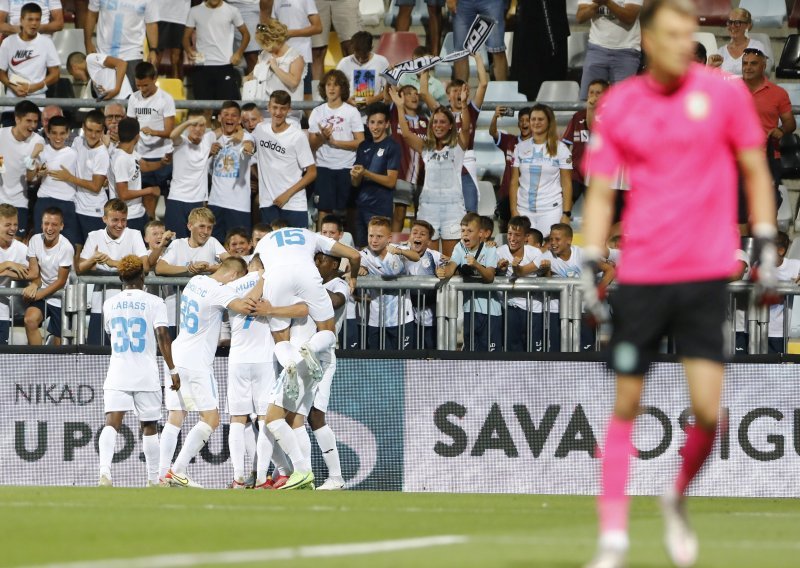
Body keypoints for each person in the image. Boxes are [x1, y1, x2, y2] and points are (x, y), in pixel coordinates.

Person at [579, 2, 778, 567]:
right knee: (625, 403)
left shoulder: (723, 95)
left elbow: (754, 166)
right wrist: (592, 256)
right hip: (642, 272)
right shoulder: (621, 104)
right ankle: (613, 538)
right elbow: (599, 192)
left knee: (710, 414)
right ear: (646, 38)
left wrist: (762, 234)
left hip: (706, 271)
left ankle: (675, 496)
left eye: (688, 32)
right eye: (670, 32)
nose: (681, 41)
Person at [160, 257, 255, 488]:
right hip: (196, 363)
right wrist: (260, 280)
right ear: (233, 277)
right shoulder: (218, 291)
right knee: (211, 419)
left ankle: (160, 476)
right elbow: (245, 306)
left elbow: (222, 272)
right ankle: (178, 470)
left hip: (176, 355)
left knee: (175, 417)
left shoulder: (197, 280)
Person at [98, 255, 179, 488]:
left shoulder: (109, 303)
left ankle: (105, 473)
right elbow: (163, 336)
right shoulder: (155, 302)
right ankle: (153, 480)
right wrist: (172, 369)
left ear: (121, 277)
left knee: (111, 422)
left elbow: (110, 333)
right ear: (143, 275)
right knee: (149, 425)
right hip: (146, 373)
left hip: (118, 371)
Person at [389, 86, 470, 258]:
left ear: (450, 126)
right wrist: (399, 106)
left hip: (453, 209)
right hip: (428, 209)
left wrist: (463, 105)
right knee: (429, 260)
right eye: (435, 122)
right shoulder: (426, 148)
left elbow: (467, 127)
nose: (438, 125)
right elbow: (405, 133)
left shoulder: (458, 147)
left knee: (450, 260)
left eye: (442, 122)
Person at [78, 199, 151, 345]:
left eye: (123, 220)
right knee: (96, 353)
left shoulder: (134, 234)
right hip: (101, 305)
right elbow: (79, 268)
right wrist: (93, 259)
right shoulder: (94, 236)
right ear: (104, 219)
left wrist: (112, 263)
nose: (120, 225)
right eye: (115, 220)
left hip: (129, 306)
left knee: (126, 353)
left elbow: (145, 266)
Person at [538, 223, 614, 352]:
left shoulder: (583, 254)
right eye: (551, 239)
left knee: (586, 352)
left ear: (569, 240)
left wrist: (598, 292)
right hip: (558, 311)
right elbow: (542, 279)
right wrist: (545, 272)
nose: (553, 243)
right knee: (556, 351)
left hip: (584, 310)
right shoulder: (546, 256)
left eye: (557, 239)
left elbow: (610, 270)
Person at [156, 206, 229, 336]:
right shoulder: (177, 244)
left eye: (209, 227)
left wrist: (210, 268)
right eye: (201, 226)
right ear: (190, 226)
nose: (206, 231)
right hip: (175, 313)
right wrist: (188, 269)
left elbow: (231, 264)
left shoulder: (212, 242)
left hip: (203, 315)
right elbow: (160, 268)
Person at [309, 250, 348, 489]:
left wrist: (309, 284)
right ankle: (290, 473)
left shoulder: (339, 284)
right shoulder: (311, 285)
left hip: (323, 357)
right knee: (289, 415)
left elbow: (335, 301)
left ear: (334, 264)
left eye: (320, 260)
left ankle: (336, 477)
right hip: (301, 354)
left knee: (316, 415)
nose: (316, 264)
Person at [308, 69, 364, 227]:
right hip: (324, 167)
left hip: (347, 167)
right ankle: (322, 248)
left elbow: (361, 141)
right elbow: (311, 145)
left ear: (342, 88)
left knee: (350, 210)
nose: (331, 88)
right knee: (324, 211)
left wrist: (336, 142)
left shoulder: (351, 112)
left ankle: (351, 247)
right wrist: (323, 137)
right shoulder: (317, 112)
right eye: (328, 84)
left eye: (336, 85)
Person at [741, 48, 796, 210]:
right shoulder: (731, 89)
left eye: (753, 64)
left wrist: (781, 130)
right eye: (745, 63)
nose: (748, 67)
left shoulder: (778, 93)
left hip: (767, 157)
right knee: (739, 210)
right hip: (736, 157)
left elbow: (790, 123)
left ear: (764, 66)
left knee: (766, 206)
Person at [252, 90, 316, 228]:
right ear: (268, 108)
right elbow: (245, 136)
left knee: (298, 249)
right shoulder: (260, 129)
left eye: (283, 108)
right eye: (275, 107)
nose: (278, 112)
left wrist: (287, 195)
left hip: (293, 204)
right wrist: (248, 143)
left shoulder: (297, 136)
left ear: (289, 110)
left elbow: (312, 172)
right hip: (268, 203)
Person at [437, 212, 500, 351]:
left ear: (480, 233)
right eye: (463, 230)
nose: (465, 234)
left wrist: (476, 264)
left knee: (492, 357)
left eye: (470, 231)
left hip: (491, 312)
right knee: (470, 353)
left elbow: (489, 277)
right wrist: (443, 272)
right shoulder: (460, 247)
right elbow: (451, 266)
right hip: (469, 310)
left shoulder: (490, 249)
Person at [508, 104, 573, 237]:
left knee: (546, 252)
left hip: (551, 210)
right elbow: (514, 182)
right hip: (523, 210)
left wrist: (566, 214)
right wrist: (514, 210)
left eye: (540, 119)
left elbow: (567, 184)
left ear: (549, 122)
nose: (536, 122)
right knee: (524, 253)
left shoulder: (561, 149)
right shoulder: (519, 148)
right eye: (533, 119)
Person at [358, 216, 418, 349]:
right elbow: (350, 265)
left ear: (389, 238)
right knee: (378, 363)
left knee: (404, 362)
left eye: (379, 236)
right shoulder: (364, 255)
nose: (374, 240)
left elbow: (416, 256)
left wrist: (400, 251)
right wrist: (359, 269)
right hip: (376, 320)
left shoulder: (397, 250)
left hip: (402, 318)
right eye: (371, 235)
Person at [350, 103, 400, 247]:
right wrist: (355, 175)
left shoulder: (392, 146)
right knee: (362, 251)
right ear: (367, 123)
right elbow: (355, 183)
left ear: (387, 124)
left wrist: (366, 173)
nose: (375, 127)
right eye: (372, 122)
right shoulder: (363, 146)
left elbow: (391, 181)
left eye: (379, 123)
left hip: (380, 209)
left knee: (379, 251)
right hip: (361, 207)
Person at [444, 53, 487, 214]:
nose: (457, 94)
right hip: (446, 161)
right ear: (448, 95)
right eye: (454, 91)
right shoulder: (441, 115)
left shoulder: (471, 111)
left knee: (470, 211)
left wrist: (478, 59)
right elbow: (426, 94)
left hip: (467, 162)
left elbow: (483, 84)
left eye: (460, 90)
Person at [127, 62, 176, 205]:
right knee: (147, 196)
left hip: (163, 156)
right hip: (142, 157)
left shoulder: (166, 99)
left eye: (145, 85)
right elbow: (131, 127)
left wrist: (152, 132)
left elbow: (170, 132)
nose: (141, 89)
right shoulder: (133, 98)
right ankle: (150, 225)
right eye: (138, 85)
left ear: (154, 79)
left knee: (169, 197)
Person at [576, 0, 643, 100]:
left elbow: (629, 17)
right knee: (588, 101)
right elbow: (580, 17)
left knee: (623, 103)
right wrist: (598, 4)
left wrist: (606, 2)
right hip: (596, 48)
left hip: (627, 51)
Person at [209, 101, 255, 242]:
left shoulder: (247, 137)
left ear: (239, 119)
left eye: (234, 115)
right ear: (219, 117)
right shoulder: (211, 138)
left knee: (239, 248)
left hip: (239, 205)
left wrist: (248, 147)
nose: (230, 118)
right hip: (215, 202)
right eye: (226, 115)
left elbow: (249, 145)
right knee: (214, 247)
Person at [495, 215, 544, 352]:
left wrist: (516, 268)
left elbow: (522, 272)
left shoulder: (536, 253)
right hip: (510, 307)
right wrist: (499, 269)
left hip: (534, 309)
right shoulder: (499, 252)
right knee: (513, 350)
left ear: (526, 237)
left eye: (517, 235)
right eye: (510, 234)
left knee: (534, 351)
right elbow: (493, 272)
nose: (512, 238)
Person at [183, 0, 249, 101]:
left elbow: (246, 35)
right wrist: (189, 50)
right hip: (202, 67)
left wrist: (239, 53)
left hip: (225, 65)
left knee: (228, 108)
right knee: (204, 110)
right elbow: (185, 38)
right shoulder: (194, 11)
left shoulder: (232, 11)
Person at [164, 113, 216, 238]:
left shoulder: (209, 138)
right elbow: (172, 135)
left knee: (197, 242)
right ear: (187, 126)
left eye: (201, 125)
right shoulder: (181, 141)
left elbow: (224, 129)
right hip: (177, 199)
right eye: (193, 125)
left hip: (197, 201)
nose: (197, 129)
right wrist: (189, 122)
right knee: (175, 242)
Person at [84, 0, 159, 87]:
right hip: (103, 53)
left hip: (132, 54)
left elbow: (151, 23)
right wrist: (87, 42)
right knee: (103, 97)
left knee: (132, 98)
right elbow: (91, 14)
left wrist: (153, 50)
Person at [29, 116, 78, 245]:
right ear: (48, 133)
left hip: (67, 203)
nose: (58, 137)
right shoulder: (42, 151)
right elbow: (29, 178)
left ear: (68, 134)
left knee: (68, 245)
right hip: (44, 201)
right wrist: (33, 158)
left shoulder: (74, 153)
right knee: (40, 244)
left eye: (62, 133)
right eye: (54, 133)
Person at [66, 111, 110, 255]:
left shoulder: (102, 153)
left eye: (97, 132)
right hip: (77, 206)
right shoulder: (77, 142)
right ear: (83, 128)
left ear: (103, 131)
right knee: (75, 249)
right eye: (90, 130)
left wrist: (69, 178)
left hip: (94, 211)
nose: (93, 135)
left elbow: (96, 186)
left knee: (94, 254)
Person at [387, 83, 428, 235]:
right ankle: (393, 246)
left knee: (421, 216)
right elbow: (388, 93)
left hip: (423, 176)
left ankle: (418, 248)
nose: (414, 96)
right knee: (399, 213)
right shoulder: (395, 117)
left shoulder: (426, 121)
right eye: (409, 93)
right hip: (402, 174)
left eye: (416, 93)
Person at [0, 101, 44, 238]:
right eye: (28, 121)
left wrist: (32, 156)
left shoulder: (37, 141)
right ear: (17, 119)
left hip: (20, 203)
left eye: (35, 121)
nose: (32, 126)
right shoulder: (1, 135)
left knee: (16, 247)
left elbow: (30, 178)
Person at [562, 80, 609, 206]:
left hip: (597, 175)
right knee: (564, 206)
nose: (593, 96)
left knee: (596, 211)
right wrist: (565, 166)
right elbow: (565, 144)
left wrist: (591, 109)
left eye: (598, 93)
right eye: (591, 92)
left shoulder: (610, 117)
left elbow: (593, 127)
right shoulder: (578, 117)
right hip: (577, 173)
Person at [0, 2, 59, 102]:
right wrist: (13, 87)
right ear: (21, 20)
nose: (34, 23)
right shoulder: (8, 42)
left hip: (38, 100)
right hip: (12, 100)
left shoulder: (47, 43)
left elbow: (55, 74)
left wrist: (34, 87)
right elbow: (1, 73)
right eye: (30, 19)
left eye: (37, 20)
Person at [112, 118, 160, 233]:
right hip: (127, 217)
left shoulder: (130, 154)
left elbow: (145, 165)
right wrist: (149, 191)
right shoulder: (121, 159)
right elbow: (123, 194)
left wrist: (163, 162)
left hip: (137, 213)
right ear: (137, 137)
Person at [490, 106, 532, 234]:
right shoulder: (510, 141)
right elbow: (493, 132)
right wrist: (495, 117)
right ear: (518, 124)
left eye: (527, 120)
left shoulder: (538, 146)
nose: (524, 123)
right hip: (506, 194)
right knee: (505, 229)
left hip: (526, 196)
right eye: (521, 120)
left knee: (525, 231)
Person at [268, 0, 321, 100]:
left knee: (305, 96)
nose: (360, 58)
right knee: (281, 96)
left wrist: (290, 33)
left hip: (302, 55)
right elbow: (273, 26)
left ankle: (360, 105)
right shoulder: (346, 63)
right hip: (281, 56)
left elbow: (318, 27)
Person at [448, 0, 508, 81]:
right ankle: (460, 92)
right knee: (460, 53)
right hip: (462, 2)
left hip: (492, 2)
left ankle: (503, 92)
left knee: (497, 49)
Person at [402, 220, 440, 349]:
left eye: (422, 234)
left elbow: (452, 265)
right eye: (415, 233)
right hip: (406, 314)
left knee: (429, 353)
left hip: (429, 315)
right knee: (410, 352)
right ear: (410, 236)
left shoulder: (434, 256)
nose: (417, 236)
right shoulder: (400, 252)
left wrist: (444, 270)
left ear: (429, 241)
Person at [250, 19, 306, 104]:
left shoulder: (295, 57)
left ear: (277, 40)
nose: (264, 47)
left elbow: (294, 83)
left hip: (287, 109)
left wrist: (275, 68)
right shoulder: (264, 54)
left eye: (266, 42)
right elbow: (253, 75)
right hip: (263, 106)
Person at [336, 31, 389, 109]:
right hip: (349, 109)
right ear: (352, 48)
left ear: (371, 48)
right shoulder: (344, 63)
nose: (360, 60)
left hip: (375, 110)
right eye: (357, 55)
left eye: (364, 56)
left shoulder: (382, 62)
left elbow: (389, 89)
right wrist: (348, 100)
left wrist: (373, 99)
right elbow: (336, 88)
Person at [310, 0, 360, 82]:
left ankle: (362, 92)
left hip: (346, 2)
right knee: (316, 51)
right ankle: (317, 94)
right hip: (316, 2)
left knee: (354, 48)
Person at [767, 232, 800, 354]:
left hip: (780, 331)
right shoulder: (759, 265)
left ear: (780, 251)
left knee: (778, 368)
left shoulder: (794, 265)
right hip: (757, 328)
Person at [707, 8, 765, 77]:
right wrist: (710, 67)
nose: (732, 26)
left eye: (737, 23)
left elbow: (758, 75)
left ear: (747, 25)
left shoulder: (757, 47)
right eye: (730, 22)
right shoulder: (721, 52)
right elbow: (711, 81)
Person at [0, 205, 28, 344]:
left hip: (2, 312)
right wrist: (7, 265)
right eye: (7, 224)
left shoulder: (21, 249)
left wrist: (6, 273)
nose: (13, 228)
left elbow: (34, 274)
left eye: (15, 224)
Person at [66, 51, 132, 101]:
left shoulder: (90, 59)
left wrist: (116, 90)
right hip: (115, 104)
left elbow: (122, 64)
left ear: (74, 67)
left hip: (124, 98)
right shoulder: (93, 76)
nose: (75, 77)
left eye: (72, 74)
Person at [226, 0, 263, 76]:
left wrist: (265, 16)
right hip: (222, 5)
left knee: (253, 55)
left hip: (249, 6)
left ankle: (256, 86)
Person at [157, 0, 190, 79]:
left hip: (181, 16)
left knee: (176, 57)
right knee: (157, 54)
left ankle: (175, 86)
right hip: (160, 14)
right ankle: (151, 83)